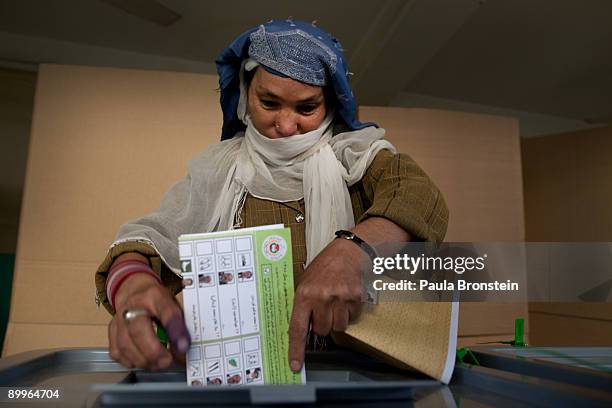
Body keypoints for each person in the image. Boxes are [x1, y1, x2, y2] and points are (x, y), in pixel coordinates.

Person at [95, 19, 448, 372]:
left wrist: (352, 251)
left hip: (351, 376)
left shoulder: (354, 158)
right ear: (246, 92)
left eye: (306, 108)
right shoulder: (220, 171)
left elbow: (418, 194)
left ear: (330, 106)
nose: (286, 125)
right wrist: (133, 288)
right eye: (269, 102)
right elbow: (147, 241)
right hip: (243, 379)